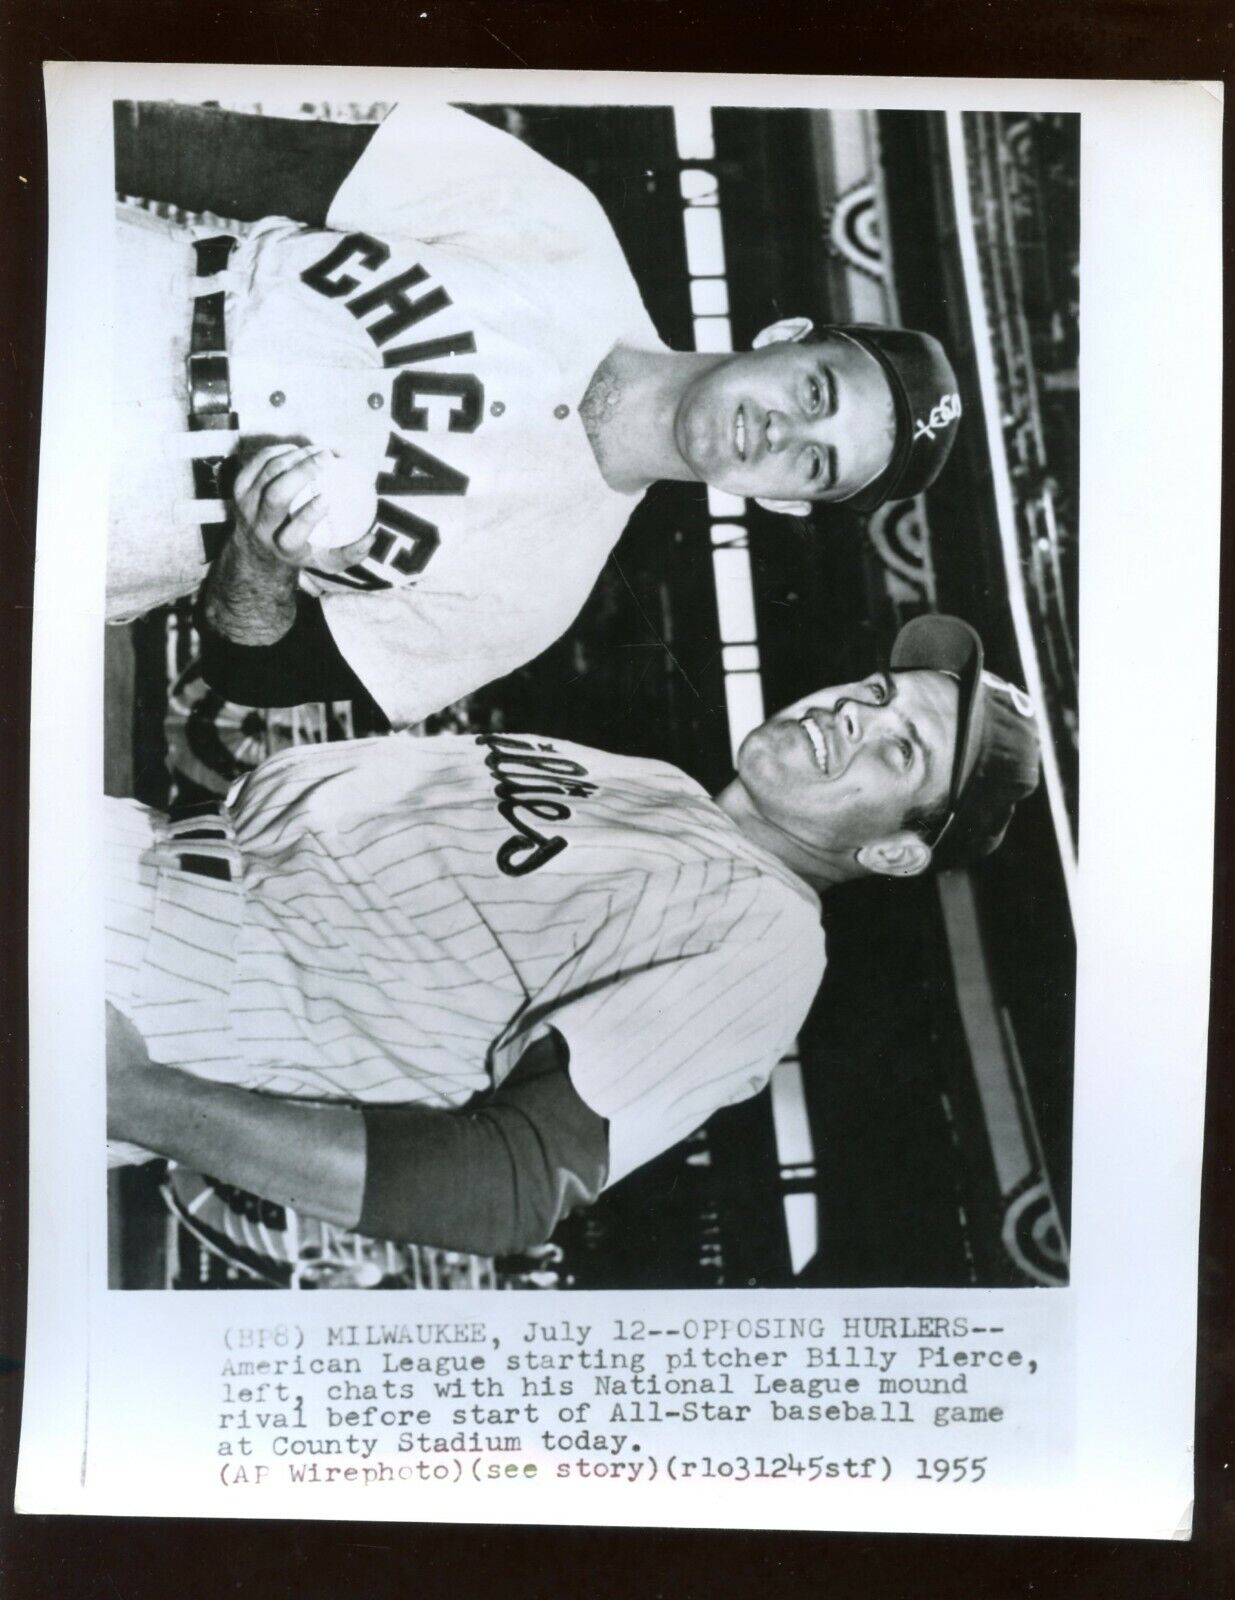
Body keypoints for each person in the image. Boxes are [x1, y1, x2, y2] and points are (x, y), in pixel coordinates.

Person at [105, 615, 1040, 1259]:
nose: (855, 713)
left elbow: (512, 1185)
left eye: (899, 750)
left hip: (160, 986)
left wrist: (136, 1097)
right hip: (137, 856)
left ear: (892, 855)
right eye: (880, 691)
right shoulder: (670, 790)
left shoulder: (769, 946)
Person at [110, 100, 963, 724]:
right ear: (784, 335)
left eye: (815, 464)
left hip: (122, 524)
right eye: (816, 391)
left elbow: (252, 674)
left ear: (785, 501)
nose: (785, 432)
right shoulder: (554, 214)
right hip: (123, 286)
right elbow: (211, 153)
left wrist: (260, 561)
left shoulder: (538, 600)